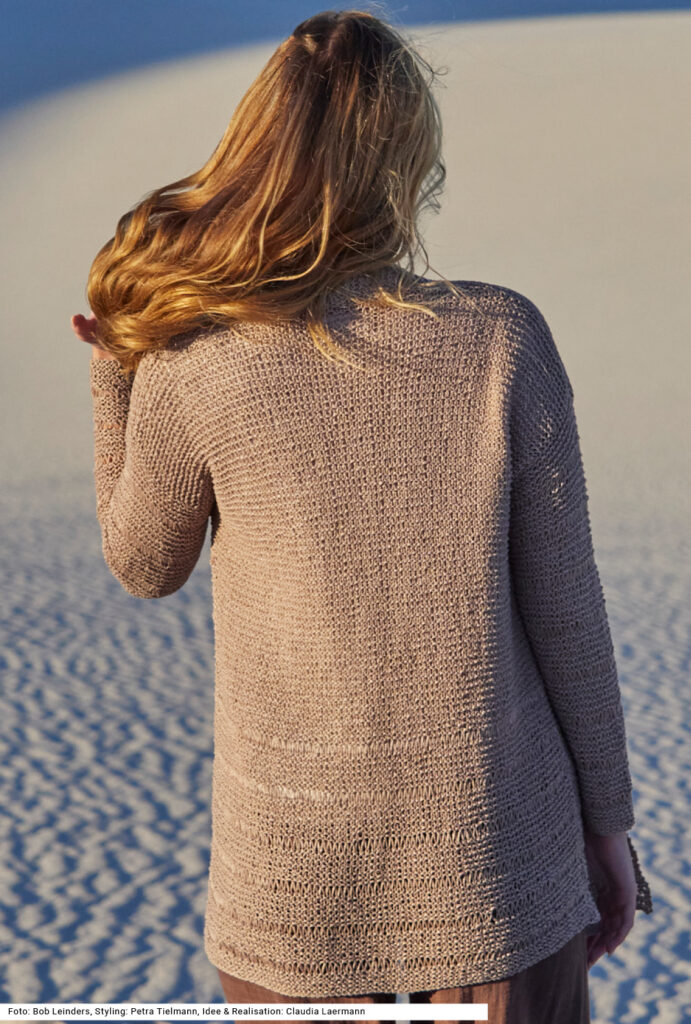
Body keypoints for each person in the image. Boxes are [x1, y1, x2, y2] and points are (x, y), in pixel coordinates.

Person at [71, 8, 652, 1022]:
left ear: (253, 152)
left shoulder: (196, 359)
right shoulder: (501, 338)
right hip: (497, 863)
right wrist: (608, 827)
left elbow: (142, 563)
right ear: (406, 157)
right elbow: (567, 612)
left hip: (291, 882)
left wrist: (119, 366)